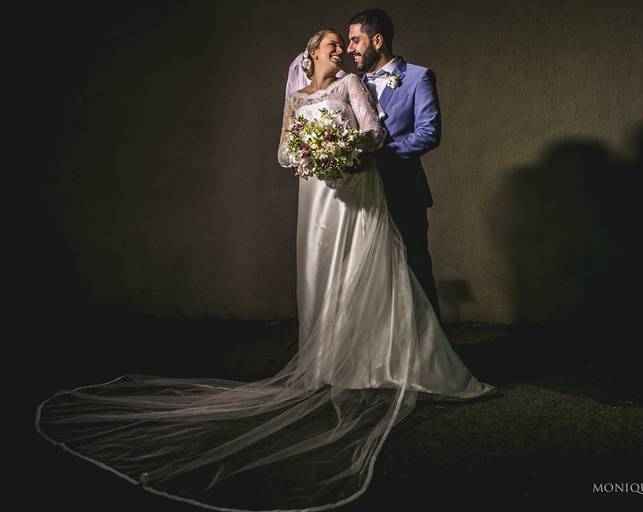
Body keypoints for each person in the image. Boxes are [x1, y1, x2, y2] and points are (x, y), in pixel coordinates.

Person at [34, 28, 495, 512]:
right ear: (311, 54)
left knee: (371, 265)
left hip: (355, 187)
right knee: (322, 272)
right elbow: (282, 150)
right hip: (316, 194)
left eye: (344, 44)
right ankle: (329, 357)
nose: (340, 52)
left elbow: (376, 133)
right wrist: (310, 152)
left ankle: (381, 356)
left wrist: (340, 146)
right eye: (332, 46)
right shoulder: (298, 94)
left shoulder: (351, 85)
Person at [348, 9, 443, 321]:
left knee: (414, 268)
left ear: (377, 40)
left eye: (355, 40)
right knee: (369, 277)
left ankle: (431, 356)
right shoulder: (350, 83)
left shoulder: (418, 77)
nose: (350, 49)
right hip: (361, 196)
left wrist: (380, 156)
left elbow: (428, 134)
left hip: (404, 190)